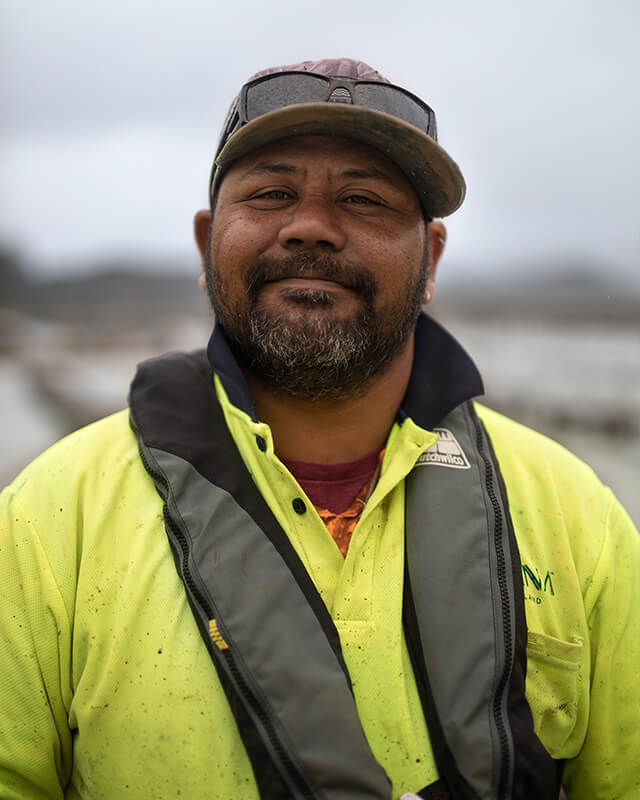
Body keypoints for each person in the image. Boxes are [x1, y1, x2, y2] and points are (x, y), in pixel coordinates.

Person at [0, 58, 638, 800]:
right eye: (271, 193)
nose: (311, 228)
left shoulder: (576, 515)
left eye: (364, 199)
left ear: (430, 259)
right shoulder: (49, 519)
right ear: (208, 244)